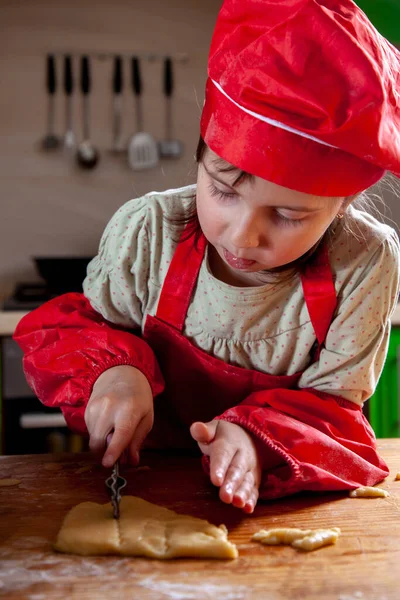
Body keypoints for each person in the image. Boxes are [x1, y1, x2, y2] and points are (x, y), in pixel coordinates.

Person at [14, 0, 400, 514]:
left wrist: (258, 441)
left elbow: (336, 408)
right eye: (222, 190)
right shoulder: (147, 232)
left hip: (269, 499)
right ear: (201, 158)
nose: (244, 236)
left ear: (340, 207)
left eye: (288, 215)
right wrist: (115, 374)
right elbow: (80, 332)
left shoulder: (364, 264)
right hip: (137, 487)